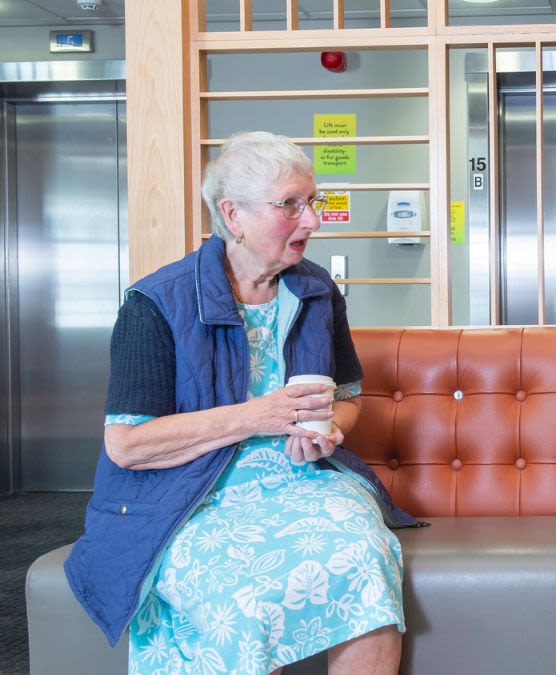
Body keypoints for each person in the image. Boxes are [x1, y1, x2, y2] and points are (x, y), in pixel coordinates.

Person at [65, 131, 422, 675]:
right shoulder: (156, 303)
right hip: (189, 495)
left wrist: (326, 430)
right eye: (291, 206)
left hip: (304, 480)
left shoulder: (317, 289)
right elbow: (128, 445)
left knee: (367, 560)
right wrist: (259, 416)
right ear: (233, 215)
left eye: (313, 202)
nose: (312, 221)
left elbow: (349, 399)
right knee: (245, 599)